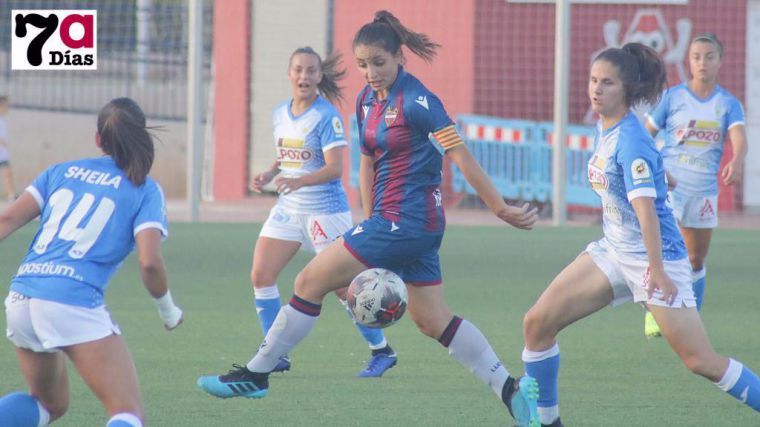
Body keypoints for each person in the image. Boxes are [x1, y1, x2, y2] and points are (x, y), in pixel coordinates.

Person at [198, 10, 540, 426]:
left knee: (309, 282)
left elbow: (459, 154)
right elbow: (365, 161)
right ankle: (511, 391)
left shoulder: (419, 101)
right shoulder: (365, 101)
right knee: (431, 319)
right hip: (398, 223)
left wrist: (499, 206)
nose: (371, 72)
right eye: (363, 64)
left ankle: (257, 373)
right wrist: (367, 214)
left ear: (399, 57)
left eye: (379, 62)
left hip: (408, 222)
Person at [521, 43, 760, 427]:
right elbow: (642, 171)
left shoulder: (629, 138)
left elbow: (646, 212)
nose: (596, 89)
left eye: (607, 83)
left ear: (627, 90)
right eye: (594, 80)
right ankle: (546, 423)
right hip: (615, 252)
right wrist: (662, 175)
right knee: (537, 324)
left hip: (656, 257)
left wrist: (658, 271)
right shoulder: (608, 127)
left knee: (700, 361)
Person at [0, 97, 183, 427]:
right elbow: (150, 262)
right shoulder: (144, 189)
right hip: (71, 302)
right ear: (141, 137)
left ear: (98, 139)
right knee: (127, 412)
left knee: (47, 404)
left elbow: (6, 220)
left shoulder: (61, 171)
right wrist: (168, 309)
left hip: (22, 298)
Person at [247, 46, 397, 377]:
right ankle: (274, 353)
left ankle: (382, 351)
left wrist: (299, 182)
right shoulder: (279, 113)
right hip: (288, 209)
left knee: (343, 288)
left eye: (311, 71)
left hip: (324, 212)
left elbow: (335, 169)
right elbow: (286, 153)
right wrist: (271, 174)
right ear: (289, 74)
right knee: (261, 275)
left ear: (319, 77)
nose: (304, 76)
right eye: (299, 70)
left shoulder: (326, 116)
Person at [642, 32, 748, 337]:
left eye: (709, 56)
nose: (702, 62)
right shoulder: (672, 98)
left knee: (695, 258)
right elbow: (644, 136)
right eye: (696, 56)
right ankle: (655, 312)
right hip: (671, 188)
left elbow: (739, 139)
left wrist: (737, 159)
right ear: (688, 61)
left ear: (720, 61)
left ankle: (692, 315)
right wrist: (653, 169)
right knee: (664, 248)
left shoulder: (728, 104)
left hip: (703, 194)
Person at [0, 96, 18, 201]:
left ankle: (11, 194)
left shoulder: (2, 119)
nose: (7, 108)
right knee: (7, 172)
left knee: (7, 172)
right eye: (5, 105)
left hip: (3, 153)